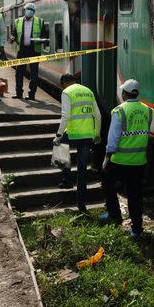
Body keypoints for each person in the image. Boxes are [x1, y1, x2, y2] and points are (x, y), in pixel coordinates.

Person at [99, 79, 153, 237]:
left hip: (119, 160)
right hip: (139, 161)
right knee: (135, 195)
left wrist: (106, 158)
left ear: (124, 93)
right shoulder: (148, 111)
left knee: (108, 184)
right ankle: (137, 229)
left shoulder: (119, 111)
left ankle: (114, 215)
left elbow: (113, 138)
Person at [53, 73, 101, 212]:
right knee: (82, 170)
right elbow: (97, 115)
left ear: (63, 83)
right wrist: (96, 134)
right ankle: (81, 204)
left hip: (72, 133)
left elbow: (66, 115)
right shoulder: (88, 91)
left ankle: (67, 180)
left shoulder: (67, 92)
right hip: (87, 135)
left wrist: (58, 135)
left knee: (60, 145)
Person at [9, 2, 44, 100]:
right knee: (19, 73)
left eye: (31, 10)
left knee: (34, 74)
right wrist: (12, 38)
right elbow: (14, 33)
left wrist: (41, 40)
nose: (29, 11)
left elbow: (44, 35)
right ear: (24, 10)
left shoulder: (40, 21)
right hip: (22, 50)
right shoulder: (18, 21)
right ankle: (18, 93)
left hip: (34, 50)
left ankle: (31, 94)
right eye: (27, 9)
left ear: (34, 12)